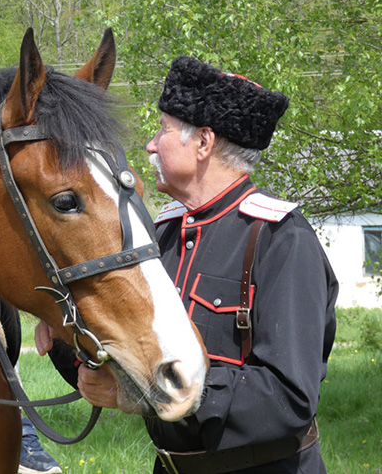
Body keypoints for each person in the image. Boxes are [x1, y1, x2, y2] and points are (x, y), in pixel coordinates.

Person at [37, 56, 339, 474]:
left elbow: (287, 399)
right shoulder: (162, 234)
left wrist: (151, 392)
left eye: (162, 129)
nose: (150, 144)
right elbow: (130, 353)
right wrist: (72, 343)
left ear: (203, 143)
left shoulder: (281, 239)